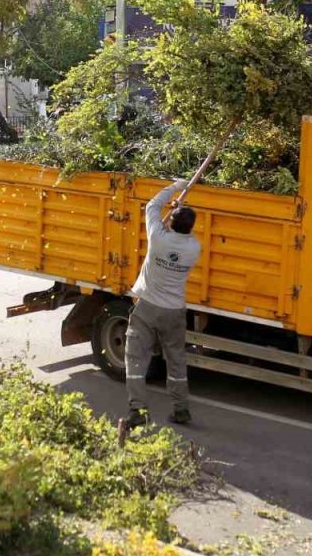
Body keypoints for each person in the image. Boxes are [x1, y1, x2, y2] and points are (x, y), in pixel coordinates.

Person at [119, 181, 201, 437]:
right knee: (176, 361)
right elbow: (176, 234)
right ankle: (181, 408)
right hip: (175, 311)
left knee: (135, 359)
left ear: (171, 223)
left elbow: (152, 205)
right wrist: (176, 214)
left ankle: (138, 411)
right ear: (190, 227)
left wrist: (176, 187)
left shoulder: (157, 237)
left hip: (147, 308)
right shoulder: (194, 248)